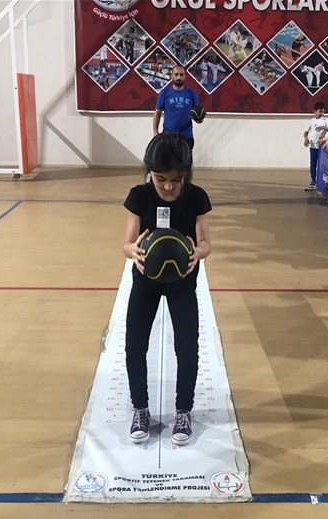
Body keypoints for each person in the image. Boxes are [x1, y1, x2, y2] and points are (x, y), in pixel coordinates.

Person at [122, 132, 212, 445]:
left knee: (187, 347)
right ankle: (140, 408)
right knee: (135, 345)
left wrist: (198, 252)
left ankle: (183, 411)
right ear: (150, 172)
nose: (169, 187)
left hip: (182, 283)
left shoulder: (196, 197)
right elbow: (126, 243)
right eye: (161, 179)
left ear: (185, 174)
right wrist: (133, 250)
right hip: (145, 281)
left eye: (176, 179)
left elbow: (206, 243)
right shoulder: (139, 195)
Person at [153, 66, 200, 151]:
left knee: (185, 160)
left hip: (186, 137)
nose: (179, 77)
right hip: (168, 136)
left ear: (185, 77)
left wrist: (199, 118)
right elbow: (157, 112)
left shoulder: (192, 93)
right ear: (172, 76)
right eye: (176, 74)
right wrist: (155, 132)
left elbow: (197, 113)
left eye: (181, 75)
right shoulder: (164, 93)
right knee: (167, 160)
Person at [304, 102, 328, 188]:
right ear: (314, 111)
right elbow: (306, 132)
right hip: (313, 146)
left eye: (323, 112)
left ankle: (322, 180)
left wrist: (323, 127)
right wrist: (306, 139)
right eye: (320, 111)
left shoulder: (325, 120)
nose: (321, 113)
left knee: (322, 164)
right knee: (313, 164)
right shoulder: (311, 121)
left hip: (322, 147)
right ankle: (313, 180)